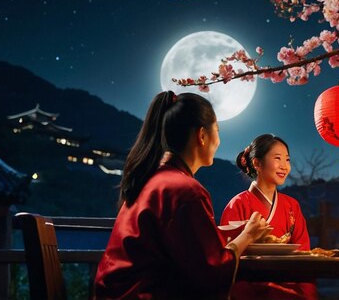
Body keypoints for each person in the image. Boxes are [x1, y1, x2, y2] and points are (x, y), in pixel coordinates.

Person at [94, 91, 271, 299]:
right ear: (202, 135)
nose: (219, 141)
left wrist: (237, 231)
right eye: (217, 130)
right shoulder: (185, 191)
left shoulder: (152, 180)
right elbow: (211, 273)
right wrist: (247, 235)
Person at [220, 134, 317, 300]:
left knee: (306, 288)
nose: (285, 166)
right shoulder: (238, 204)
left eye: (287, 160)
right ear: (257, 163)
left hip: (288, 276)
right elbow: (228, 256)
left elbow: (303, 251)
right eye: (277, 158)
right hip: (250, 279)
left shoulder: (291, 206)